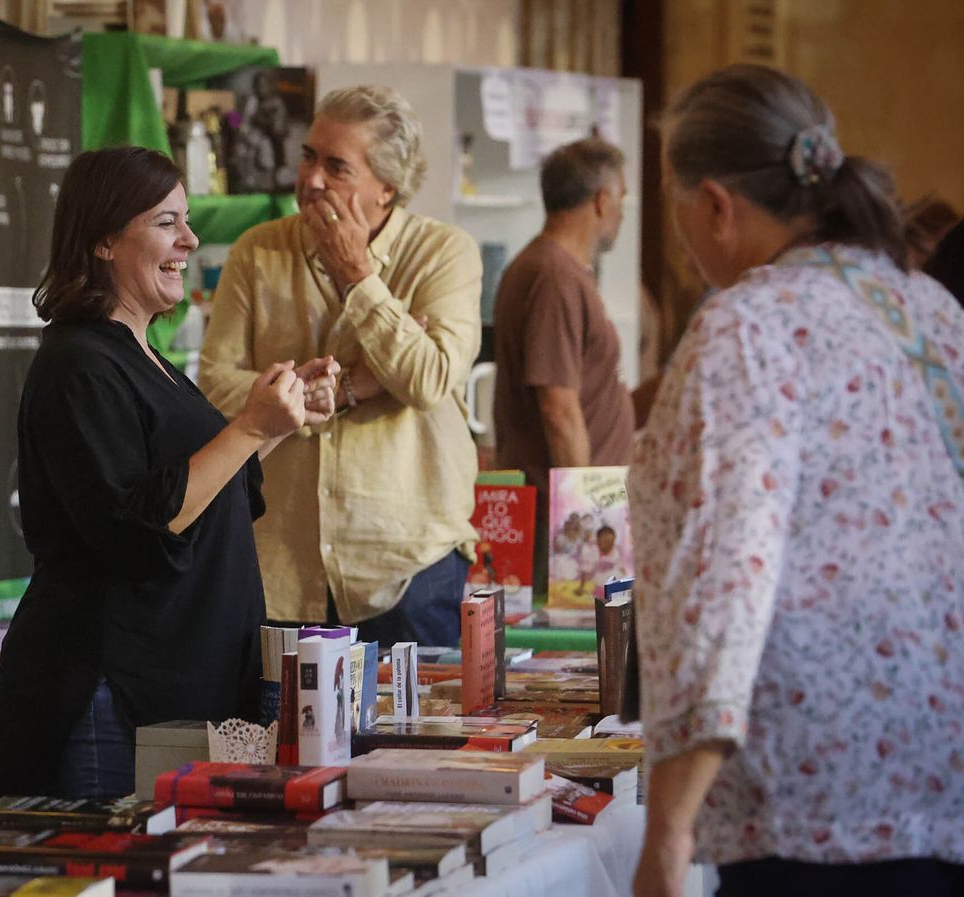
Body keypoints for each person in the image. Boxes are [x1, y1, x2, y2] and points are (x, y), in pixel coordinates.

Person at [630, 65, 964, 897]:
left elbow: (724, 574)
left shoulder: (747, 327)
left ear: (714, 204)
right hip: (941, 779)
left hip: (809, 803)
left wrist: (668, 831)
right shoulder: (930, 311)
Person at [0, 146, 338, 799]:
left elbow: (199, 488)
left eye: (186, 220)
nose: (190, 238)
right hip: (111, 688)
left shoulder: (140, 353)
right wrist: (250, 426)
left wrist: (279, 425)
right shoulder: (78, 364)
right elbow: (139, 521)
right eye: (165, 222)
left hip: (173, 681)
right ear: (102, 241)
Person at [200, 84, 481, 646]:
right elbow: (213, 385)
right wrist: (309, 395)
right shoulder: (257, 251)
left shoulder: (444, 253)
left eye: (337, 167)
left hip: (408, 567)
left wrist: (359, 277)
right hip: (280, 568)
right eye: (308, 157)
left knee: (418, 736)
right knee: (277, 736)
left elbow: (427, 379)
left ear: (387, 188)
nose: (313, 180)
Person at [492, 138, 634, 553]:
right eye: (621, 200)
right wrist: (586, 522)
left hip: (567, 517)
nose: (621, 214)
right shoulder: (554, 277)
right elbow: (559, 409)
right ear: (602, 200)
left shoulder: (556, 270)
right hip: (561, 528)